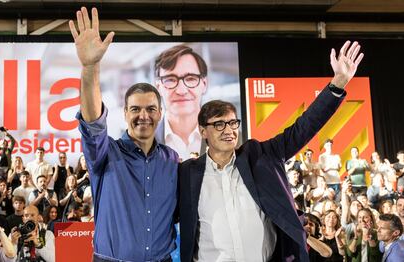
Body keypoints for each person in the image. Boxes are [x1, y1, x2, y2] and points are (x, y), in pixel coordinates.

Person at [178, 40, 364, 261]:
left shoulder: (261, 156)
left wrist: (338, 82)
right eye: (219, 124)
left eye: (232, 123)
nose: (228, 130)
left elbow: (303, 128)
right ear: (203, 131)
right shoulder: (187, 173)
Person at [70, 7, 178, 261]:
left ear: (160, 113)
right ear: (125, 113)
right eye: (135, 109)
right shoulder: (105, 153)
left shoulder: (172, 159)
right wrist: (89, 67)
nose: (144, 115)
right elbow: (93, 120)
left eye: (151, 109)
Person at [155, 45, 208, 161]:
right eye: (170, 80)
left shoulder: (232, 139)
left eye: (190, 79)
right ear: (158, 87)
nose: (181, 91)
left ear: (204, 84)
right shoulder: (141, 142)